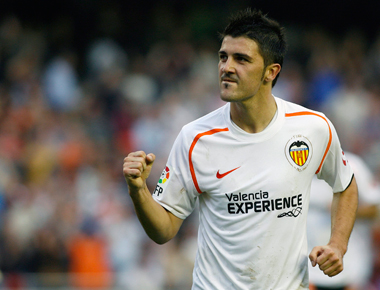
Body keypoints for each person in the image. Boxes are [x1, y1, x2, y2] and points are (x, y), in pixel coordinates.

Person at [123, 8, 358, 290]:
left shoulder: (312, 127)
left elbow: (345, 185)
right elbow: (164, 230)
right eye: (223, 57)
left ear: (271, 72)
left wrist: (338, 244)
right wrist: (138, 190)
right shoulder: (195, 138)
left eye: (241, 59)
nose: (227, 67)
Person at [307, 151, 380, 290]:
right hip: (308, 268)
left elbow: (374, 209)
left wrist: (344, 208)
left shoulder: (352, 166)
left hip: (351, 266)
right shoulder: (295, 166)